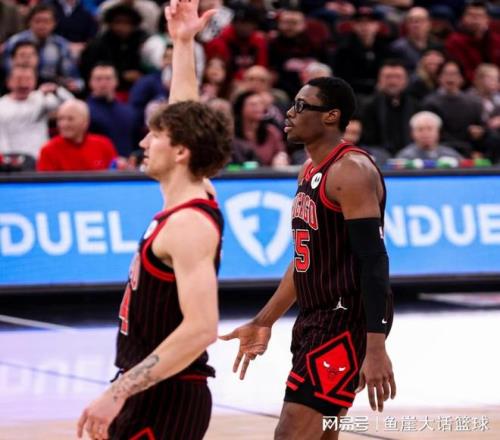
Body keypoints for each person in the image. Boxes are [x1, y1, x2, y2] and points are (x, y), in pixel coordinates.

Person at [77, 1, 231, 439]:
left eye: (155, 136)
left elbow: (201, 328)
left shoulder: (188, 225)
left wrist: (120, 390)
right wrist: (183, 42)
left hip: (166, 398)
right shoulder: (194, 191)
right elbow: (185, 115)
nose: (144, 142)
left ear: (180, 151)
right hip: (152, 388)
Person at [221, 76, 396, 439]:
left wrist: (375, 347)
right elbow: (305, 259)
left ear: (331, 116)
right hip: (315, 317)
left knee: (291, 432)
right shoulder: (309, 168)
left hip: (345, 321)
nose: (289, 112)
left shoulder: (351, 171)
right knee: (321, 433)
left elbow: (374, 261)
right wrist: (264, 320)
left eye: (301, 106)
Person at [37, 100, 118, 171]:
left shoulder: (104, 145)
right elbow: (45, 183)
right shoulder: (48, 150)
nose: (64, 124)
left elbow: (115, 174)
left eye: (70, 119)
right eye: (60, 119)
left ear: (85, 122)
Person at [396, 111, 463, 161]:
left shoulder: (450, 156)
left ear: (438, 132)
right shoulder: (405, 157)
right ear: (412, 133)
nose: (425, 134)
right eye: (420, 129)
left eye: (430, 129)